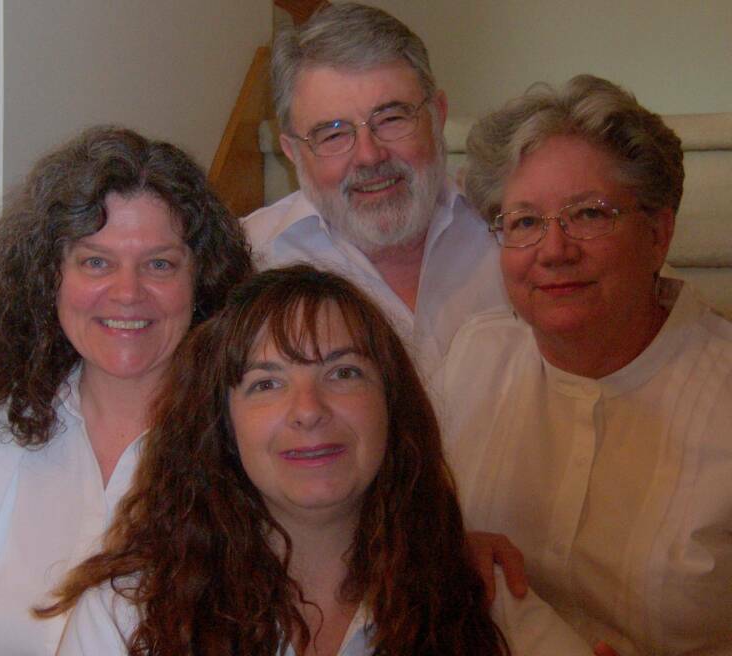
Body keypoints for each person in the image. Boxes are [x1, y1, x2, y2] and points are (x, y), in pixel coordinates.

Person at [39, 264, 593, 656]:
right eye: (266, 383)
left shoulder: (483, 596)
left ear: (392, 408)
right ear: (222, 428)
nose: (308, 410)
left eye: (343, 373)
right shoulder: (127, 615)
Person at [0, 126, 253, 655]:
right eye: (95, 262)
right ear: (48, 278)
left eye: (160, 264)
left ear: (203, 283)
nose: (127, 293)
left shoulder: (249, 444)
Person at [444, 74, 732, 655]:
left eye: (590, 214)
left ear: (658, 233)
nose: (554, 250)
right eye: (524, 222)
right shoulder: (474, 356)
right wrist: (447, 550)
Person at [242, 3, 507, 384]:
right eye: (333, 134)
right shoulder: (249, 260)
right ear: (292, 151)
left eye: (391, 118)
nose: (369, 155)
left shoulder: (508, 231)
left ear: (438, 115)